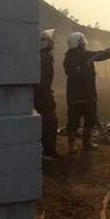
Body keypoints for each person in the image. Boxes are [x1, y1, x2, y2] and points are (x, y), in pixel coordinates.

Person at [63, 32, 110, 153]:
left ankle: (86, 141)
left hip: (89, 95)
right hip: (76, 97)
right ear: (76, 43)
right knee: (73, 121)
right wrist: (83, 66)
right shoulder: (70, 58)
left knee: (90, 119)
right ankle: (71, 145)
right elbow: (72, 71)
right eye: (82, 41)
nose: (84, 43)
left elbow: (102, 54)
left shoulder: (85, 55)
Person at [34, 29, 61, 159]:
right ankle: (48, 151)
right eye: (51, 40)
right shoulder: (44, 58)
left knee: (47, 122)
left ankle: (47, 150)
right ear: (45, 42)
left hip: (41, 94)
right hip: (42, 96)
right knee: (51, 121)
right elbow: (43, 81)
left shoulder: (46, 56)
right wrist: (49, 98)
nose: (53, 42)